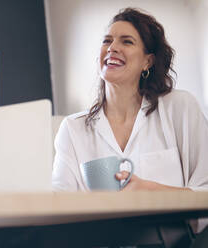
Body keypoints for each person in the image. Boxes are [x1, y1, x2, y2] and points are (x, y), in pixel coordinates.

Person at [52, 8, 208, 193]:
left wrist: (152, 191)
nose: (112, 48)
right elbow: (60, 200)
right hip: (99, 223)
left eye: (127, 41)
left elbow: (204, 189)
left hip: (170, 223)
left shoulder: (181, 108)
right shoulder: (72, 128)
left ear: (147, 62)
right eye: (107, 41)